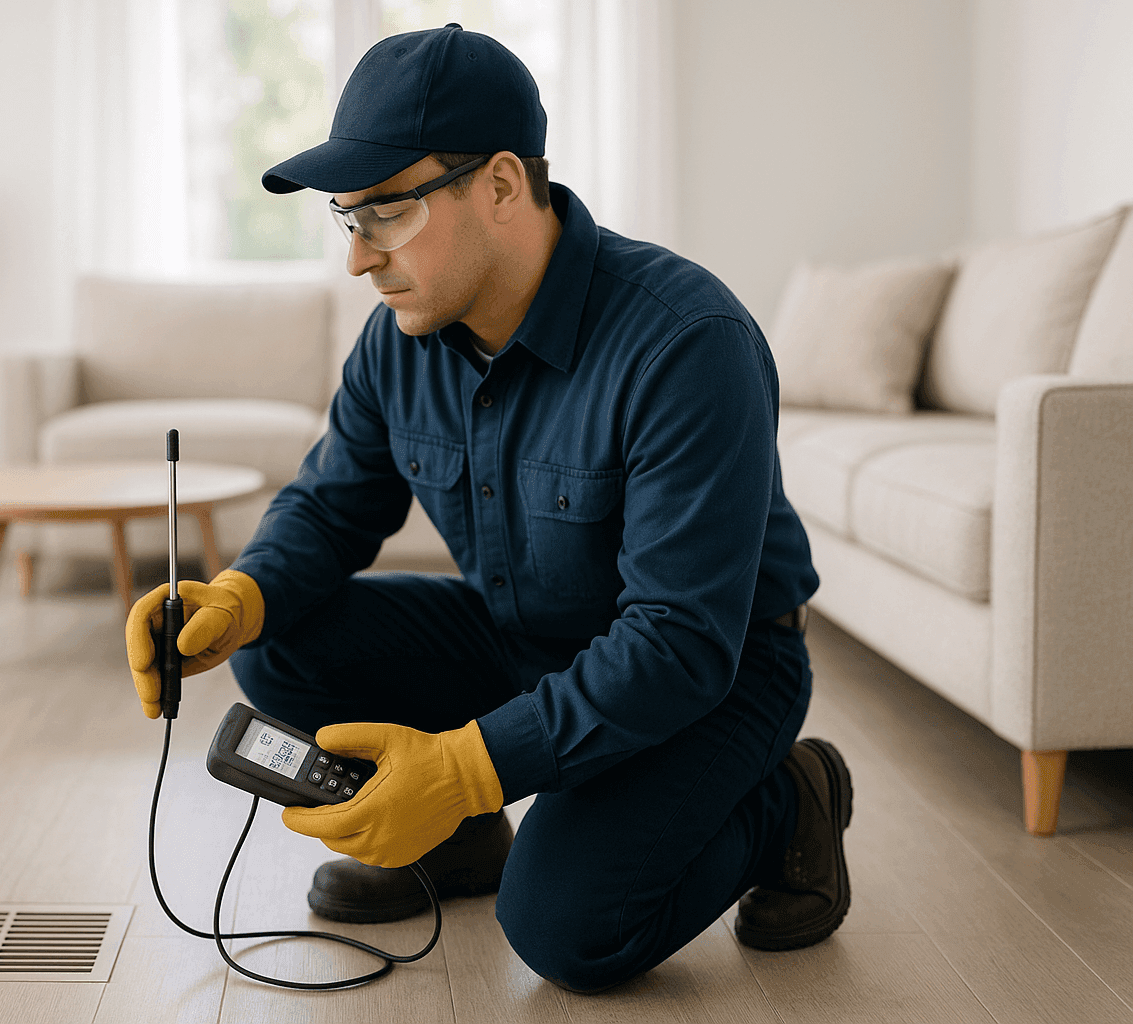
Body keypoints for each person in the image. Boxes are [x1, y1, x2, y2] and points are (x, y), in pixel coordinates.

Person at [126, 23, 852, 991]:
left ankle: (789, 800)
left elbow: (679, 640)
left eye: (386, 211)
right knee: (280, 640)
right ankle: (464, 845)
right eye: (350, 219)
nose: (359, 259)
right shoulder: (401, 335)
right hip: (526, 633)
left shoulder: (686, 340)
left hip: (711, 671)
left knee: (568, 932)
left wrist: (465, 766)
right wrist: (242, 594)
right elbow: (333, 502)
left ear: (503, 184)